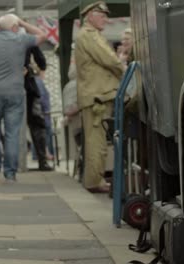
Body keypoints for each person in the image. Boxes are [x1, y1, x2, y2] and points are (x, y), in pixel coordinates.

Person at [0, 14, 46, 182]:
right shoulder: (21, 39)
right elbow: (42, 35)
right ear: (14, 27)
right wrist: (22, 22)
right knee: (12, 133)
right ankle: (10, 173)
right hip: (15, 92)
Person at [75, 1, 125, 193]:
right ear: (90, 16)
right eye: (102, 15)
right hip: (97, 97)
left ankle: (94, 180)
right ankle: (95, 181)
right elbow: (109, 59)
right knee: (97, 143)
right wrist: (125, 71)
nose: (106, 19)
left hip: (96, 96)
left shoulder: (89, 35)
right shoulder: (89, 35)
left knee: (97, 141)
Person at [24, 46, 53, 171]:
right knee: (37, 126)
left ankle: (11, 164)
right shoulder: (27, 42)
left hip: (8, 89)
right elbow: (42, 62)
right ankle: (42, 160)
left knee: (10, 128)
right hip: (29, 90)